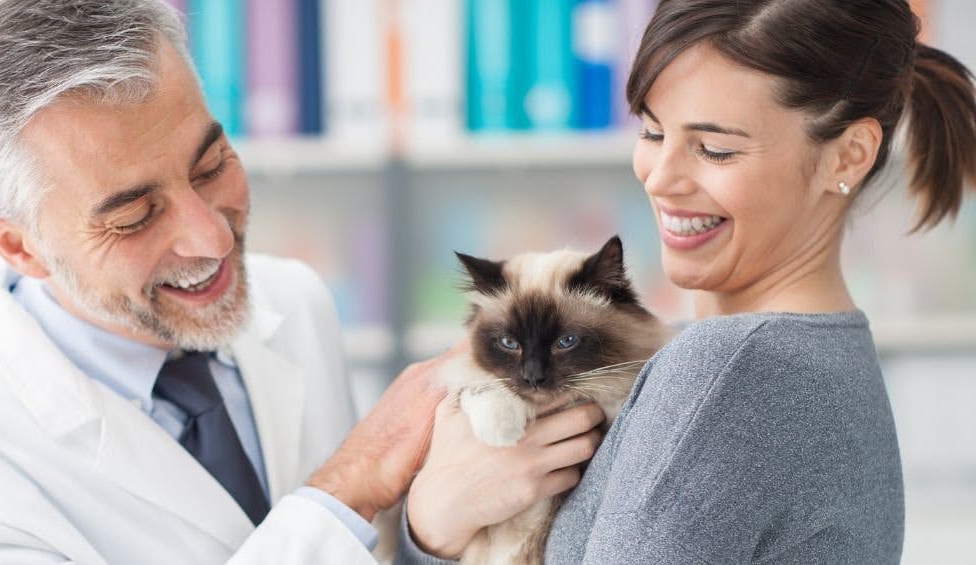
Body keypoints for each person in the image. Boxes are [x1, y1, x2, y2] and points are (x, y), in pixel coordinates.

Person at [0, 1, 607, 563]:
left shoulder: (291, 301)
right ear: (18, 244)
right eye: (134, 215)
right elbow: (333, 516)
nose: (212, 237)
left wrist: (424, 533)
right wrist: (348, 484)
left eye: (211, 164)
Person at [399, 0, 976, 563]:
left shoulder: (727, 371)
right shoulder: (806, 351)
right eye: (652, 133)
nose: (660, 178)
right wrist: (436, 526)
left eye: (715, 149)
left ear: (849, 156)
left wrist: (430, 518)